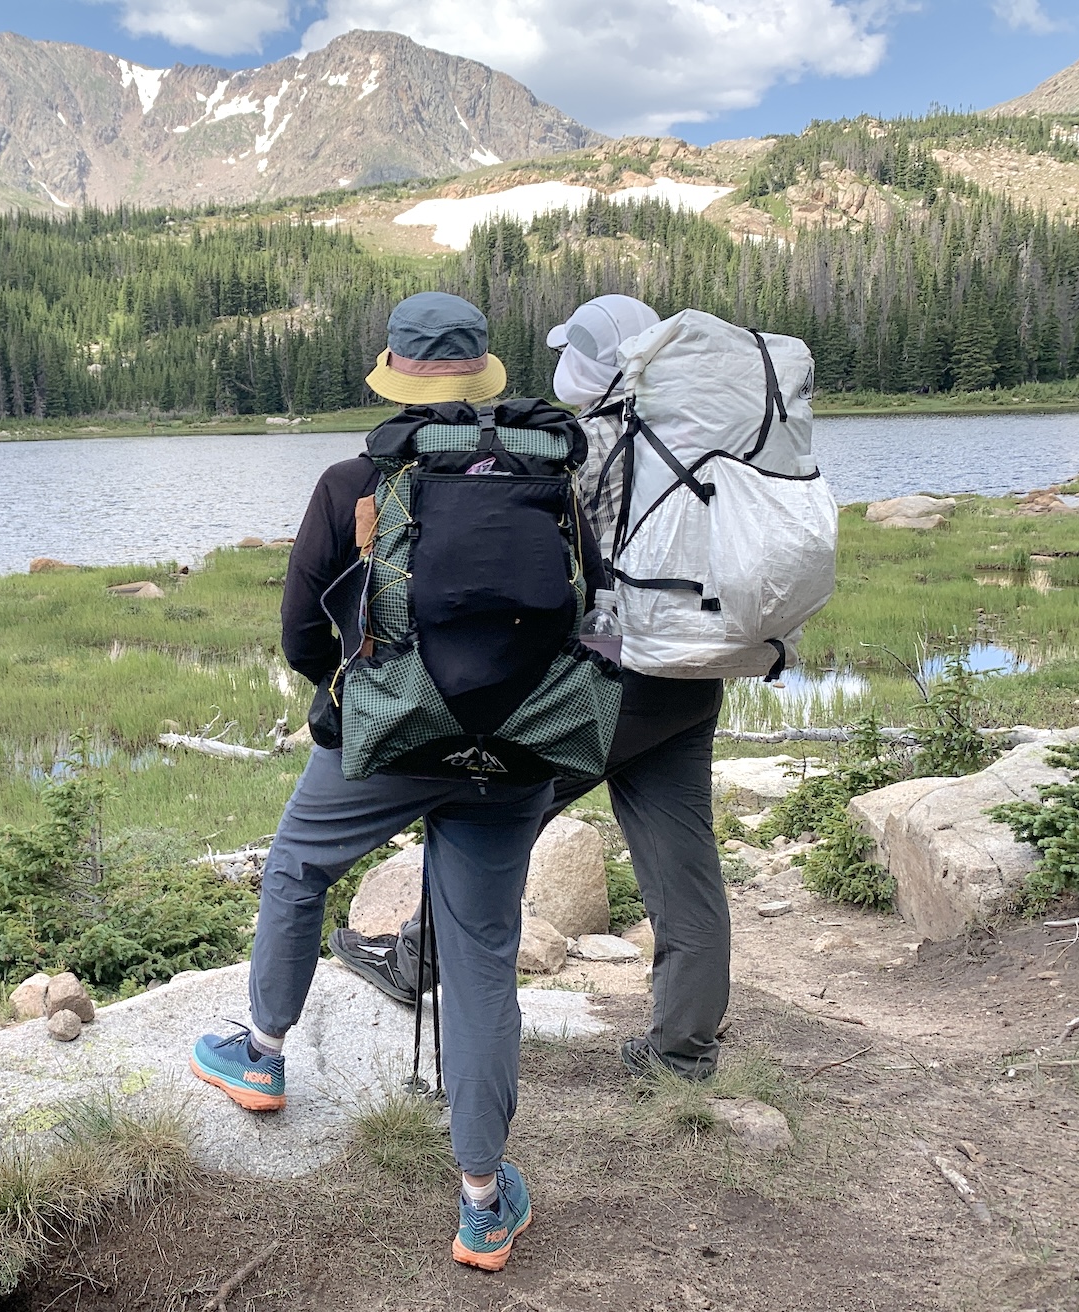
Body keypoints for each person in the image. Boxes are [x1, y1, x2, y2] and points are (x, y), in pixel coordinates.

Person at [190, 291, 604, 1272]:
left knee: (297, 867)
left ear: (396, 373)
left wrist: (359, 701)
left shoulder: (355, 478)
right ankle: (479, 1200)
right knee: (480, 958)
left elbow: (301, 629)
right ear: (481, 377)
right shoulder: (550, 478)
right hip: (517, 750)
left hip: (382, 738)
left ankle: (261, 1053)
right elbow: (587, 602)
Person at [330, 294, 732, 1082]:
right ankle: (684, 1051)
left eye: (571, 351)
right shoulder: (697, 436)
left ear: (591, 359)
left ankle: (413, 964)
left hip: (612, 683)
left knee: (486, 807)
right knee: (687, 863)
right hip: (693, 676)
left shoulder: (595, 445)